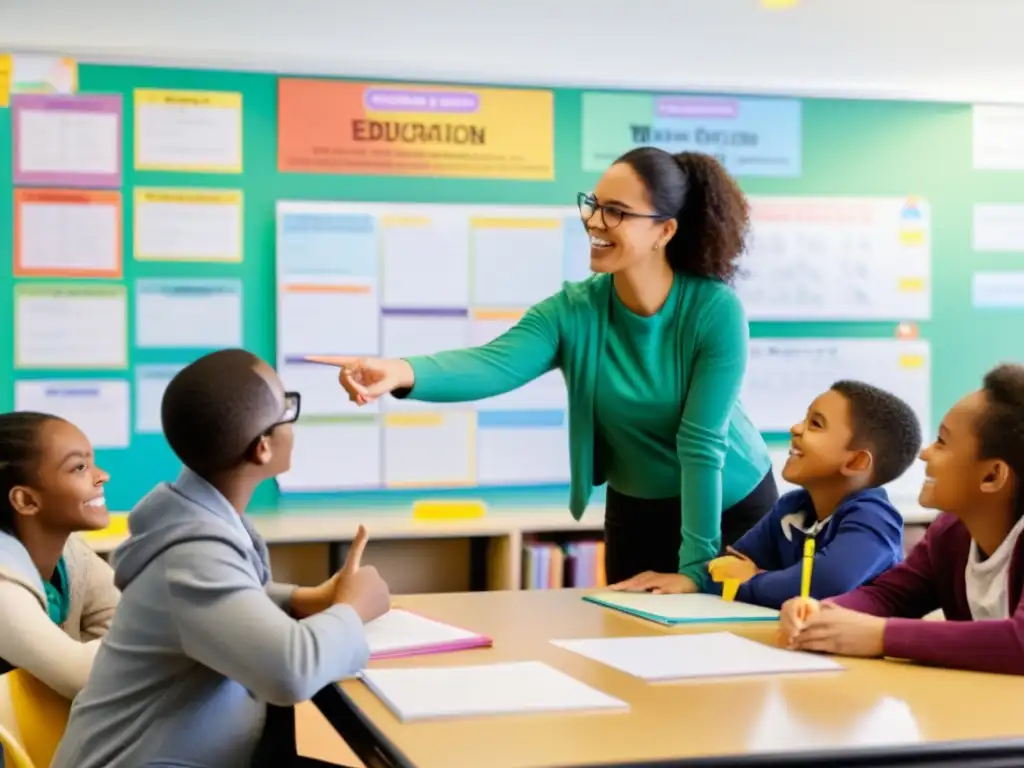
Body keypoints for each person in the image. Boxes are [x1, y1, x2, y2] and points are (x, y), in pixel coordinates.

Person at [313, 147, 775, 593]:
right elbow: (492, 364)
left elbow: (701, 443)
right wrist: (399, 371)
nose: (594, 220)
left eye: (615, 211)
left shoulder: (714, 311)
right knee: (632, 650)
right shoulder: (572, 311)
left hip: (730, 504)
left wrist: (695, 570)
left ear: (664, 231)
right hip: (637, 510)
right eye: (593, 205)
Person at [53, 349, 391, 768]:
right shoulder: (191, 555)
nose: (294, 421)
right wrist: (354, 608)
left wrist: (303, 599)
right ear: (263, 448)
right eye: (288, 408)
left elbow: (221, 600)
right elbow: (290, 671)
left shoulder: (196, 521)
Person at [779, 364, 1024, 676]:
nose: (925, 453)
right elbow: (889, 596)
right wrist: (823, 612)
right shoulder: (950, 534)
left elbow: (1019, 642)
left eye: (942, 442)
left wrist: (881, 636)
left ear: (991, 476)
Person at [706, 381, 921, 608]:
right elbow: (724, 567)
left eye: (815, 424)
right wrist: (762, 580)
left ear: (856, 461)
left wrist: (749, 581)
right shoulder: (792, 506)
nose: (796, 428)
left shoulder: (875, 519)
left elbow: (819, 586)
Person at [0, 411, 119, 698]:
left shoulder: (71, 554)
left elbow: (127, 619)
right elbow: (82, 676)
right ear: (26, 500)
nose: (102, 475)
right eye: (79, 467)